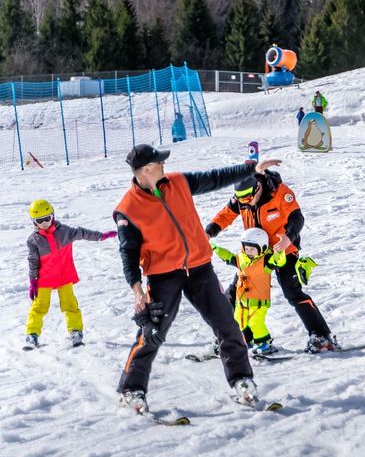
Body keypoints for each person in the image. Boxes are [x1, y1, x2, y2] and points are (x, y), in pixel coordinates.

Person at [112, 144, 281, 414]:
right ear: (146, 170)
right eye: (159, 163)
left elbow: (214, 177)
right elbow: (128, 253)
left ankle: (241, 380)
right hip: (163, 275)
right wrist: (137, 291)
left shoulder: (177, 182)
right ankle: (131, 389)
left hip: (199, 267)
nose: (164, 165)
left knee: (228, 324)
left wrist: (252, 169)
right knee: (152, 334)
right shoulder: (128, 209)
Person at [207, 170, 339, 353]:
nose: (245, 204)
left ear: (258, 187)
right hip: (255, 254)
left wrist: (288, 237)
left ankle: (322, 337)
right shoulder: (243, 198)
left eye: (248, 199)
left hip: (283, 249)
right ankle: (235, 337)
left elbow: (297, 218)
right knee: (237, 293)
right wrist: (208, 232)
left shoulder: (280, 193)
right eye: (241, 201)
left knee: (292, 291)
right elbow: (225, 215)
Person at [24, 199, 116, 349]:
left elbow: (83, 233)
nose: (45, 222)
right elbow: (33, 261)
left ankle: (75, 332)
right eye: (40, 220)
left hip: (64, 277)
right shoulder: (33, 240)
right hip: (44, 279)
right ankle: (32, 335)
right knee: (39, 307)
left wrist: (101, 236)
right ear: (34, 222)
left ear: (53, 216)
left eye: (47, 218)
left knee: (70, 305)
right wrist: (32, 281)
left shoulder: (64, 232)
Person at [211, 228, 288, 355]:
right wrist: (216, 249)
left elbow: (279, 261)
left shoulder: (266, 261)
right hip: (242, 300)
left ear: (262, 247)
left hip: (258, 301)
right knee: (238, 321)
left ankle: (265, 344)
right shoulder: (242, 258)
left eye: (252, 249)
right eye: (246, 248)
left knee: (255, 322)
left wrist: (279, 251)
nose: (249, 252)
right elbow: (229, 257)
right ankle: (244, 341)